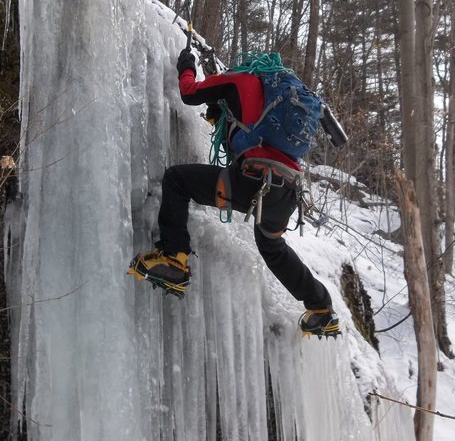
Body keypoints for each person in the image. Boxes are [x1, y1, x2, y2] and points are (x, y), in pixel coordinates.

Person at [128, 46, 339, 337]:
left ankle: (174, 258)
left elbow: (189, 92)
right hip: (286, 191)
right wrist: (222, 118)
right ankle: (322, 309)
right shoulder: (276, 96)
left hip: (253, 181)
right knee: (273, 249)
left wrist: (186, 64)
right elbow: (247, 133)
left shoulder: (238, 81)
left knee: (177, 180)